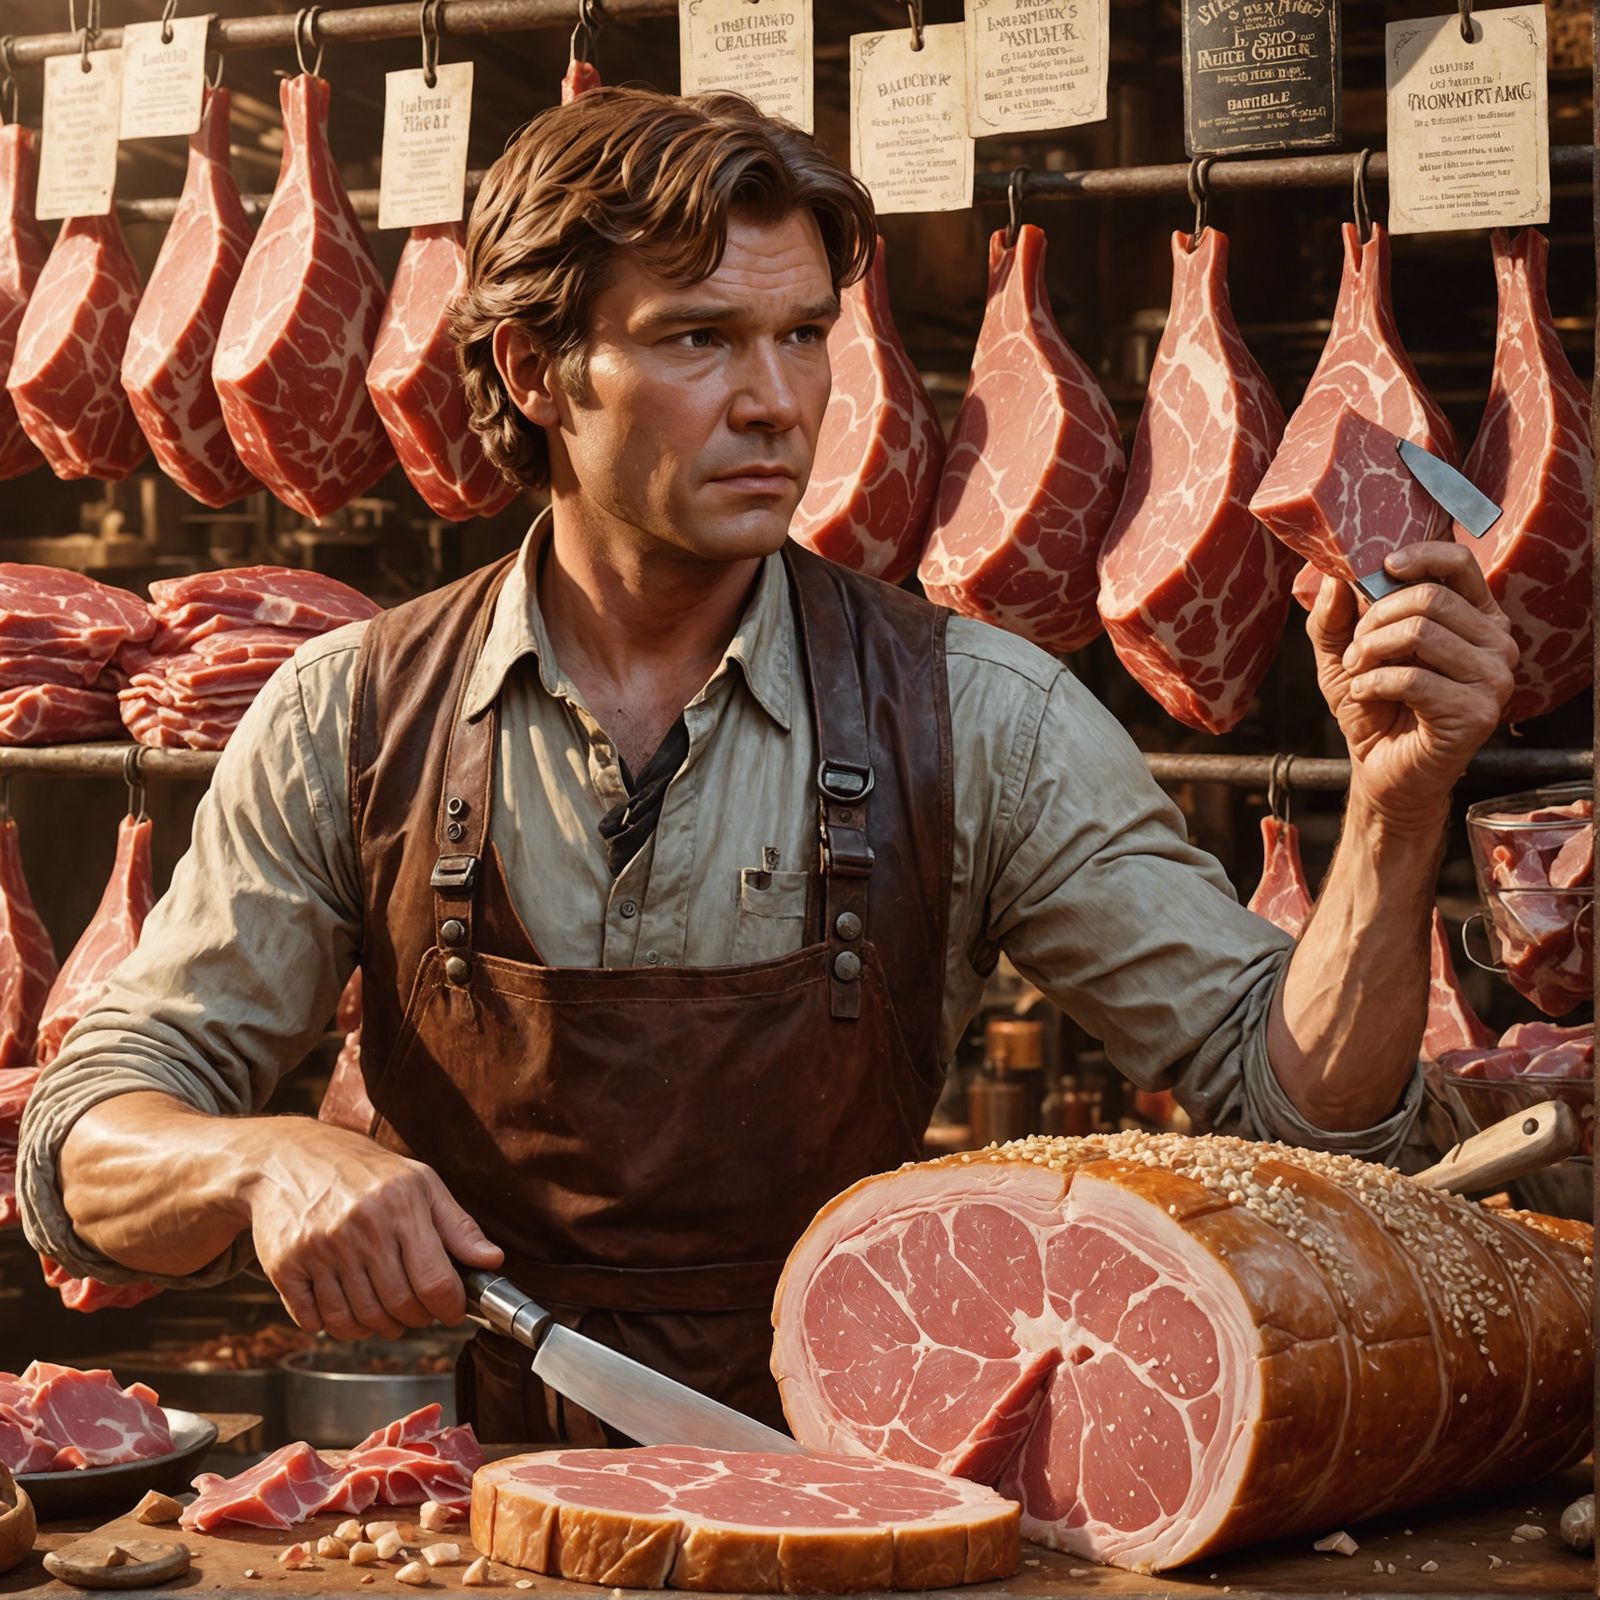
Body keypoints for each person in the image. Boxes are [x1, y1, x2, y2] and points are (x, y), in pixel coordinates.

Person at [19, 87, 1518, 1442]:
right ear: (538, 370)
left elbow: (1301, 1114)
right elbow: (90, 1148)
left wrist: (1395, 807)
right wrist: (265, 1164)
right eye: (699, 339)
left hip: (857, 1466)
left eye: (803, 333)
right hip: (462, 1490)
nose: (780, 400)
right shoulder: (353, 711)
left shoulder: (978, 712)